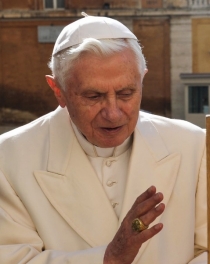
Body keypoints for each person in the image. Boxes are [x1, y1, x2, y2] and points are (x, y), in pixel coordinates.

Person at [0, 13, 207, 264]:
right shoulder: (9, 159)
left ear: (142, 80)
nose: (113, 113)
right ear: (58, 91)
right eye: (93, 96)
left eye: (126, 93)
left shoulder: (194, 145)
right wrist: (109, 259)